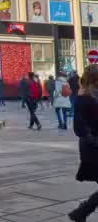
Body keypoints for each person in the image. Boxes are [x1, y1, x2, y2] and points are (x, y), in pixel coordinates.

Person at [68, 64, 98, 221]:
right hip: (93, 149)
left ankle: (81, 212)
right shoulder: (87, 99)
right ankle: (81, 212)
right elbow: (79, 128)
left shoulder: (88, 97)